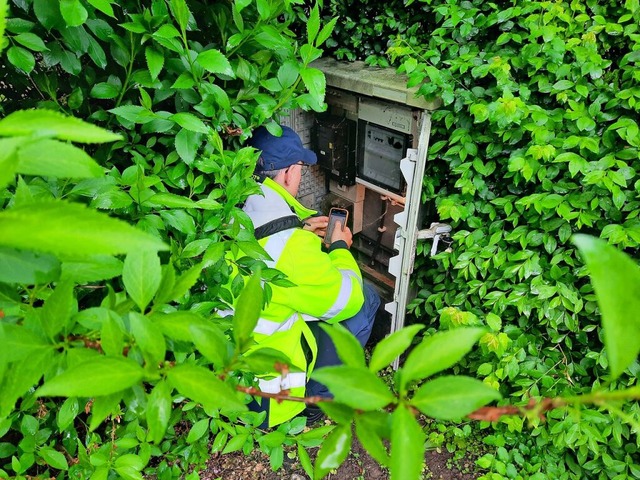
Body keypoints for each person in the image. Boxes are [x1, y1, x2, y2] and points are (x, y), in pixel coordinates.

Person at [238, 124, 380, 428]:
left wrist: (301, 226)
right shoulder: (291, 247)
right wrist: (340, 247)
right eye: (301, 167)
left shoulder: (229, 205)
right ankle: (312, 407)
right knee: (366, 300)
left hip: (231, 375)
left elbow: (266, 233)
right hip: (268, 400)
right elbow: (349, 299)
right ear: (289, 173)